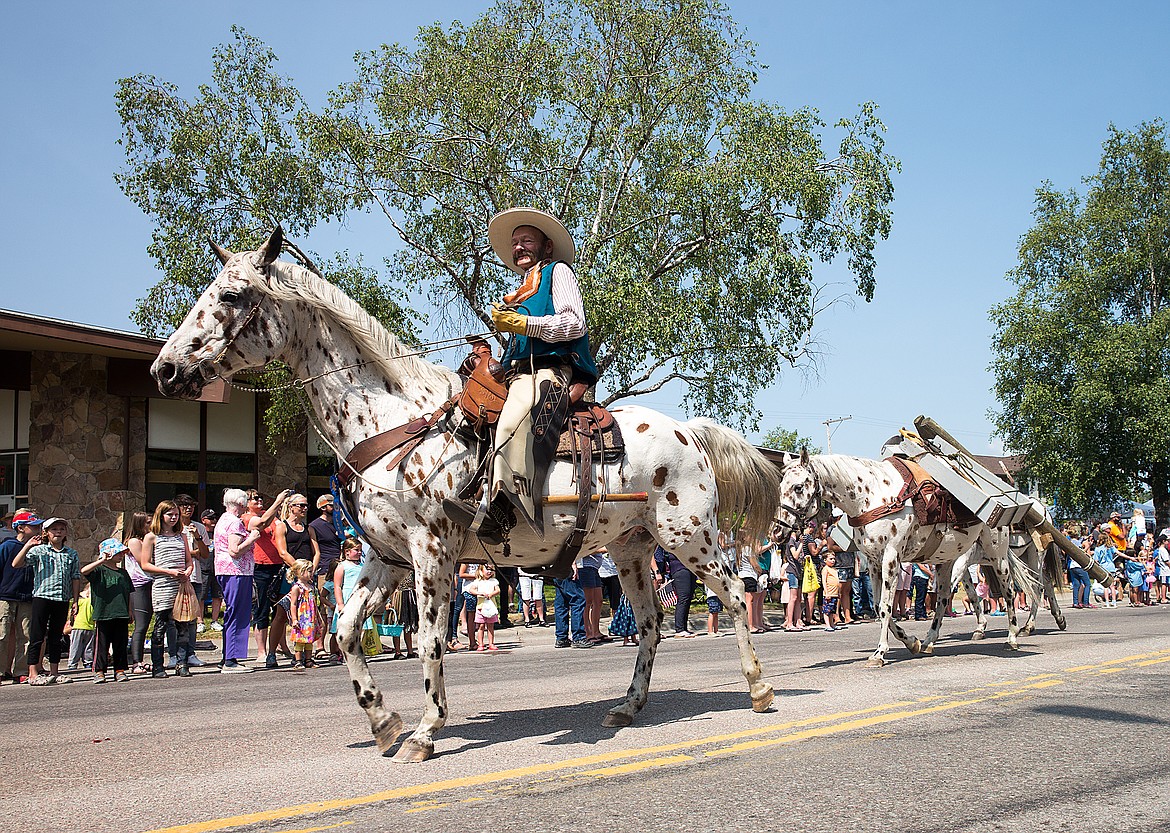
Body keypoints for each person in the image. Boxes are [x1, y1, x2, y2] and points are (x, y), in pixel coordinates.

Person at [444, 208, 599, 543]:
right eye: (514, 243)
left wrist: (524, 324)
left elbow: (574, 323)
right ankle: (473, 486)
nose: (518, 247)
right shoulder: (522, 290)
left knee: (515, 415)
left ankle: (501, 511)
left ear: (546, 247)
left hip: (549, 372)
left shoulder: (560, 273)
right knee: (469, 411)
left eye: (526, 240)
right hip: (516, 373)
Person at [13, 517, 80, 686]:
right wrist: (28, 546)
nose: (58, 532)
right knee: (37, 635)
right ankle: (33, 672)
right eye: (54, 529)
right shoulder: (39, 551)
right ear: (46, 533)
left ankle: (55, 671)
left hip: (61, 598)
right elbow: (17, 564)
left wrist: (76, 600)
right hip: (42, 597)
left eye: (61, 529)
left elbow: (75, 577)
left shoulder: (71, 554)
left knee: (56, 636)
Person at [141, 501, 193, 679]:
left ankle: (182, 663)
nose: (173, 518)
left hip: (181, 585)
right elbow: (145, 564)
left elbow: (189, 560)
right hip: (163, 585)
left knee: (183, 625)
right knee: (161, 624)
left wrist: (188, 571)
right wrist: (168, 571)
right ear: (160, 515)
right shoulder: (151, 537)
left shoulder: (182, 536)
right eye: (169, 514)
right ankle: (157, 665)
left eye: (176, 515)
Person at [245, 488, 294, 669]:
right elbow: (262, 524)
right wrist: (278, 500)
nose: (259, 501)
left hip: (278, 566)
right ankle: (261, 651)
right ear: (246, 503)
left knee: (280, 610)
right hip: (260, 567)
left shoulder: (271, 515)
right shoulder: (247, 518)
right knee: (262, 608)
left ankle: (281, 645)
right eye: (254, 499)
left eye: (260, 498)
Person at [214, 488, 260, 673]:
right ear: (241, 504)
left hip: (228, 571)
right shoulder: (234, 522)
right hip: (237, 572)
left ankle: (228, 656)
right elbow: (235, 550)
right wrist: (252, 538)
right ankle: (231, 660)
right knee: (237, 613)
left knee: (233, 612)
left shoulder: (223, 519)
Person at [82, 538, 134, 683]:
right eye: (118, 552)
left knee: (120, 643)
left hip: (121, 613)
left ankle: (120, 669)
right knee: (101, 644)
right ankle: (99, 670)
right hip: (104, 613)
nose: (121, 555)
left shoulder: (123, 573)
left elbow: (128, 592)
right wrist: (101, 560)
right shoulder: (99, 571)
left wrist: (129, 610)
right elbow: (84, 571)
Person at [0, 510, 42, 684]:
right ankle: (2, 671)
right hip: (5, 595)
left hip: (27, 596)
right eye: (34, 526)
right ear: (22, 528)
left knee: (25, 635)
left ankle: (21, 671)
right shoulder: (7, 546)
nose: (39, 528)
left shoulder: (39, 549)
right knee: (2, 633)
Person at [175, 494, 209, 667]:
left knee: (192, 617)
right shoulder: (172, 527)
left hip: (195, 576)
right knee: (173, 618)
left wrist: (197, 538)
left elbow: (205, 554)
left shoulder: (199, 527)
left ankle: (191, 653)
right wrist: (192, 553)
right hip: (176, 577)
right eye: (184, 506)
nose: (188, 509)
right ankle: (174, 654)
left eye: (191, 506)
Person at [122, 511, 154, 674]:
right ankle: (136, 662)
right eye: (148, 522)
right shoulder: (134, 541)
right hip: (138, 584)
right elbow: (144, 562)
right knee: (140, 625)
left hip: (150, 582)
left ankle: (141, 659)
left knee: (147, 623)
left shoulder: (147, 540)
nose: (151, 525)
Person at [285, 558, 320, 669]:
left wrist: (318, 618)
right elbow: (293, 604)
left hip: (311, 617)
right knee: (300, 640)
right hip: (302, 618)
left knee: (309, 639)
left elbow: (314, 603)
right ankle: (298, 660)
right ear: (300, 572)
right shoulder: (297, 588)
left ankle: (308, 659)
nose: (311, 573)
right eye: (309, 571)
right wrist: (294, 619)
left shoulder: (311, 587)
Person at [553, 563, 590, 649]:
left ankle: (561, 638)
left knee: (561, 603)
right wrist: (572, 563)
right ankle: (578, 637)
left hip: (557, 568)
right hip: (566, 566)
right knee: (578, 600)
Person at [200, 509, 224, 630]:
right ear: (204, 520)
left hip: (218, 568)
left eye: (215, 518)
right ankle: (200, 621)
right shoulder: (200, 533)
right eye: (211, 518)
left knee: (217, 595)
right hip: (203, 568)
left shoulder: (218, 533)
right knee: (201, 595)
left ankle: (215, 620)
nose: (214, 520)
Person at [468, 564, 501, 652]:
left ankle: (491, 643)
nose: (489, 572)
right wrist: (479, 593)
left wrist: (491, 594)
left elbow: (497, 590)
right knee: (481, 626)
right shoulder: (478, 581)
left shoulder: (494, 581)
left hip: (491, 606)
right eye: (487, 569)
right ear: (481, 570)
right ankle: (481, 644)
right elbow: (471, 590)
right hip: (480, 607)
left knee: (490, 625)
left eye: (491, 570)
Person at [66, 586, 95, 670]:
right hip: (90, 627)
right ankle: (88, 662)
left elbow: (72, 613)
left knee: (75, 647)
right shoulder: (93, 602)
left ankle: (72, 664)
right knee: (88, 647)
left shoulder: (79, 601)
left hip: (78, 626)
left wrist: (71, 622)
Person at [821, 552, 844, 631]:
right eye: (830, 559)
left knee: (832, 610)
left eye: (834, 559)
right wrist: (826, 592)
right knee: (827, 610)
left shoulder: (834, 569)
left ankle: (832, 624)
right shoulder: (825, 569)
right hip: (829, 593)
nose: (833, 560)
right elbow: (824, 581)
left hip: (835, 593)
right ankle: (827, 625)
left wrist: (838, 592)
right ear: (825, 560)